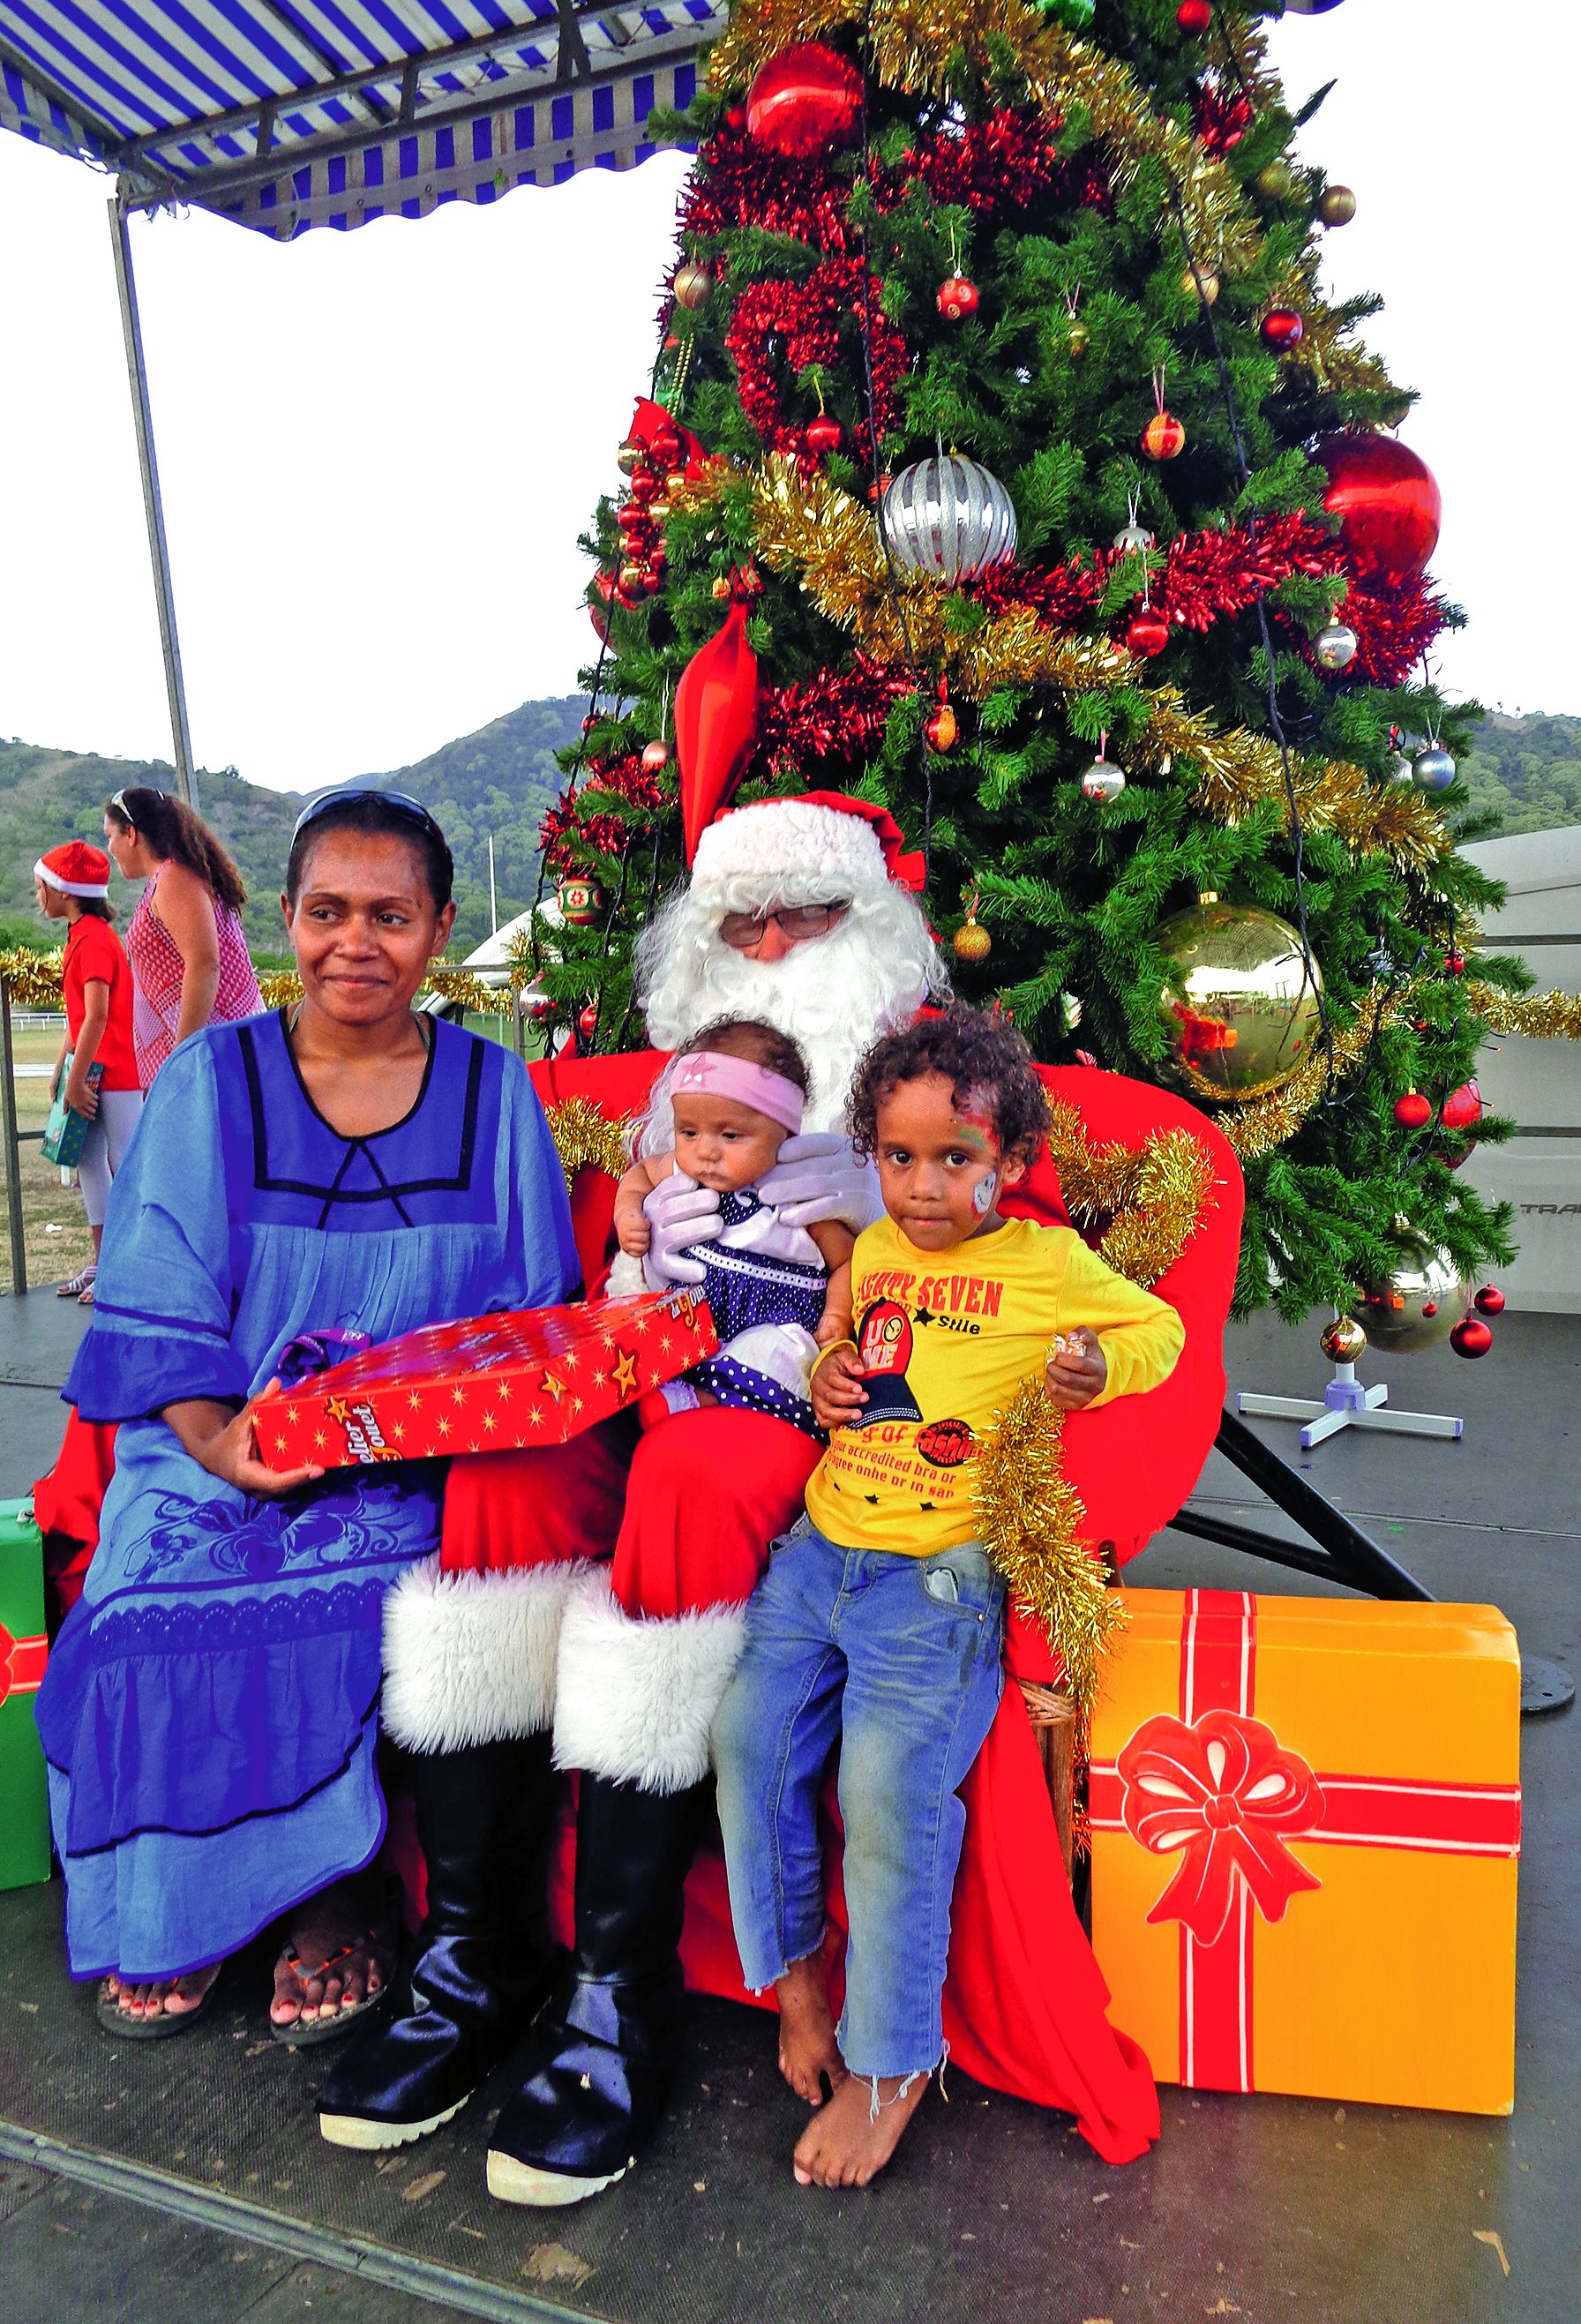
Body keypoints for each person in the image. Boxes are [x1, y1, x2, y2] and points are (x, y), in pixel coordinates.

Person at [324, 790, 1240, 2200]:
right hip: (652, 1366)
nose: (763, 943)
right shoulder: (661, 1120)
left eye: (800, 916)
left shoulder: (916, 1119)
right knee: (506, 1473)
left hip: (810, 1437)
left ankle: (617, 1993)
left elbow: (1026, 1296)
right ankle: (474, 1945)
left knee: (693, 1477)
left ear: (867, 928)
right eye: (735, 920)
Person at [33, 788, 577, 2044]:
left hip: (411, 1462)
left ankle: (345, 1890)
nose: (356, 942)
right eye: (327, 911)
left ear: (440, 928)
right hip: (216, 1443)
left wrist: (402, 1428)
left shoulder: (498, 1094)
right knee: (146, 1606)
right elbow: (157, 1282)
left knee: (367, 1599)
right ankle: (179, 1902)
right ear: (281, 918)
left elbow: (533, 1315)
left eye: (391, 914)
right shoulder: (209, 1080)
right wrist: (226, 1438)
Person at [712, 1010, 1185, 2189]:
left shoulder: (1040, 1263)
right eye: (898, 1155)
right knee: (746, 1737)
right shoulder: (873, 1250)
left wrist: (1091, 1362)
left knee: (885, 1791)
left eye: (955, 1158)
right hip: (820, 1547)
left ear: (1010, 1160)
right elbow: (845, 1338)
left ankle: (890, 2061)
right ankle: (796, 1975)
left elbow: (1161, 1330)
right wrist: (827, 1370)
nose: (923, 1185)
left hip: (934, 1583)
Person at [611, 1017, 854, 1432]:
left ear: (784, 1131)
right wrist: (629, 1214)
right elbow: (637, 1177)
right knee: (643, 1334)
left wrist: (837, 1313)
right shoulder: (681, 1171)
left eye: (730, 1135)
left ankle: (700, 1401)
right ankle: (648, 1393)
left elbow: (848, 1261)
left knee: (774, 1355)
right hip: (694, 1315)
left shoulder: (799, 1192)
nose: (705, 1151)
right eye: (689, 1131)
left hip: (773, 1323)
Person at [34, 841, 141, 1308]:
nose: (39, 895)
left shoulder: (95, 938)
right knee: (89, 1163)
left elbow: (97, 1016)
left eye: (43, 886)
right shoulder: (79, 935)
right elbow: (78, 1017)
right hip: (91, 1069)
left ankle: (126, 1270)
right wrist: (64, 1068)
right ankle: (104, 1263)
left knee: (126, 1166)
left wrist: (76, 1081)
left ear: (66, 891)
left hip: (115, 1073)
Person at [103, 783, 264, 1090]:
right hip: (199, 1055)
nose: (110, 848)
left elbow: (204, 964)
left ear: (131, 834)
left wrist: (182, 1058)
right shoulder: (166, 879)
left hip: (210, 1056)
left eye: (110, 836)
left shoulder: (173, 877)